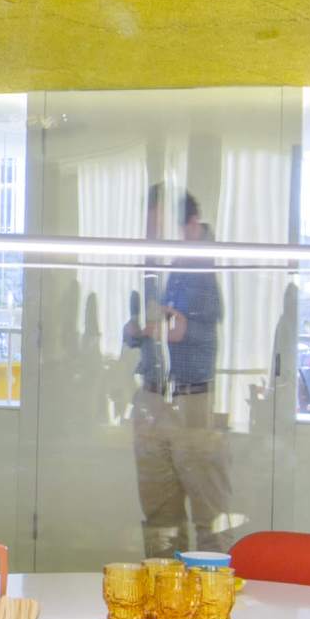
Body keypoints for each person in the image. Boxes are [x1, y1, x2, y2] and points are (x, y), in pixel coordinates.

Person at [126, 188, 229, 552]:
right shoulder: (158, 268)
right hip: (153, 402)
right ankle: (161, 586)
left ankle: (211, 588)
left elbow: (209, 330)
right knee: (160, 521)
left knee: (209, 520)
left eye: (160, 229)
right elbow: (152, 328)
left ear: (191, 226)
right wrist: (135, 332)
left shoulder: (207, 264)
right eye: (150, 229)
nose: (152, 237)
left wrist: (184, 332)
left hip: (191, 402)